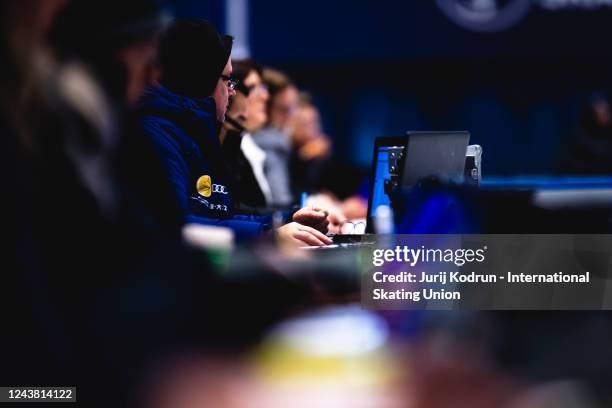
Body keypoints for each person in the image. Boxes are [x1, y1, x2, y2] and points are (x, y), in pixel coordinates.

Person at [138, 19, 332, 246]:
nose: (231, 93)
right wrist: (265, 236)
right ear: (202, 78)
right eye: (227, 80)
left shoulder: (195, 134)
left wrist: (282, 222)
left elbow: (219, 217)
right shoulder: (157, 135)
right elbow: (175, 225)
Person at [220, 59, 272, 209]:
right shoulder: (223, 144)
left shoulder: (240, 143)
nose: (265, 96)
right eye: (252, 87)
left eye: (263, 87)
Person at [253, 68, 300, 207]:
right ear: (264, 107)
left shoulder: (284, 143)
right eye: (283, 109)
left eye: (292, 109)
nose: (290, 117)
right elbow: (281, 202)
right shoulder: (270, 146)